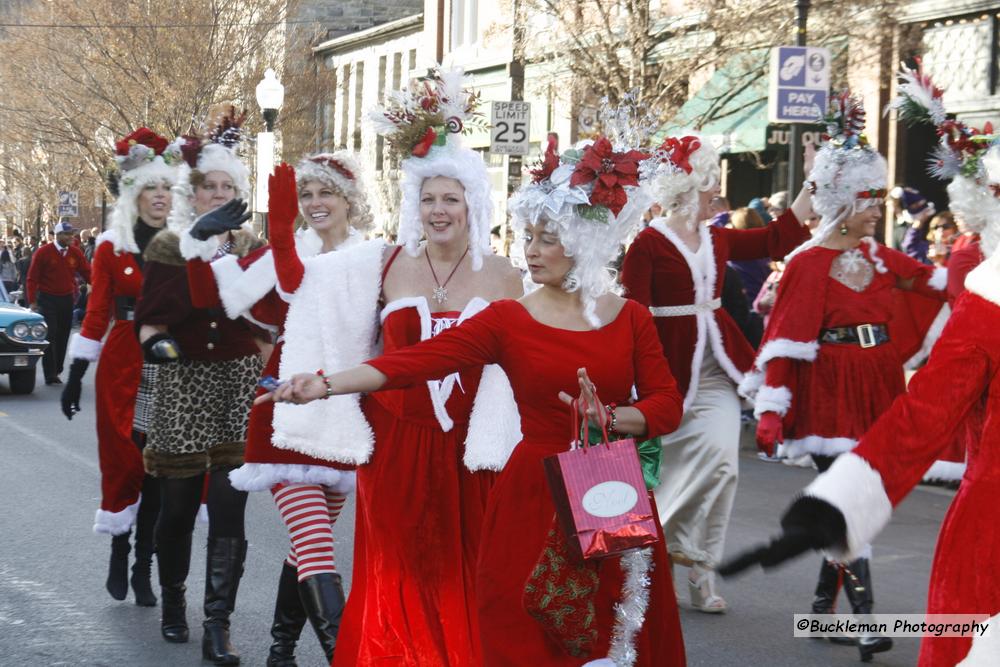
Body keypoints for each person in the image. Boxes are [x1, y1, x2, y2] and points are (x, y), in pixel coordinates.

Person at [261, 128, 688, 667]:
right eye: (527, 237)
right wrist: (323, 382)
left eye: (546, 239)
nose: (531, 251)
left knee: (610, 625)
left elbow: (666, 405)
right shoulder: (509, 319)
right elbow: (412, 364)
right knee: (518, 625)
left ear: (581, 245)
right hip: (528, 493)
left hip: (608, 483)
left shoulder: (630, 318)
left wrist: (616, 418)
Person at [741, 93, 947, 662]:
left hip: (879, 391)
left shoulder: (881, 258)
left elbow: (938, 285)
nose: (877, 210)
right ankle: (865, 621)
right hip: (830, 395)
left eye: (877, 200)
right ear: (840, 202)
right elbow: (785, 342)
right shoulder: (807, 265)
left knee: (847, 502)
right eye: (867, 200)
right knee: (851, 503)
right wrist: (771, 411)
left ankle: (816, 614)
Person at [190, 152, 375, 664]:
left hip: (343, 418)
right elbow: (280, 284)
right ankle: (344, 657)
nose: (315, 203)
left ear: (349, 201)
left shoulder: (376, 258)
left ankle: (280, 651)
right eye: (306, 195)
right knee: (317, 546)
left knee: (304, 549)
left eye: (326, 193)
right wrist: (225, 237)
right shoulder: (288, 255)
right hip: (286, 413)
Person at [620, 133, 812, 612]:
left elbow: (776, 237)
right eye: (711, 187)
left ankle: (701, 568)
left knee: (723, 462)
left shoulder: (718, 236)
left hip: (717, 371)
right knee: (665, 476)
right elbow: (632, 312)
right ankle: (653, 552)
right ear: (689, 187)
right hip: (665, 373)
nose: (717, 195)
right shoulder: (647, 242)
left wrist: (814, 179)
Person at [134, 109, 263, 665]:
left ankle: (218, 624)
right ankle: (173, 601)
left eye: (226, 186)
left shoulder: (256, 248)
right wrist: (196, 245)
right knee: (179, 506)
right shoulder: (167, 245)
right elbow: (155, 316)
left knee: (231, 509)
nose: (217, 194)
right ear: (194, 193)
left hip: (236, 385)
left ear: (238, 193)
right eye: (208, 186)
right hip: (183, 383)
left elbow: (262, 319)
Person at [59, 128, 180, 608]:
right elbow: (97, 311)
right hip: (125, 363)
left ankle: (143, 565)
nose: (159, 197)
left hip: (173, 363)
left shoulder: (186, 244)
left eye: (166, 187)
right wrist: (74, 374)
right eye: (151, 188)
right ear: (134, 193)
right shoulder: (112, 246)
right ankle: (118, 545)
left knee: (161, 469)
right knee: (125, 461)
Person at [26, 219, 91, 384]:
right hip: (47, 298)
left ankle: (57, 368)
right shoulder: (43, 252)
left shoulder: (75, 252)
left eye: (72, 234)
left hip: (67, 298)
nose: (71, 237)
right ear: (59, 235)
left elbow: (87, 272)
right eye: (68, 234)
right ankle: (50, 373)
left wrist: (100, 285)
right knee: (51, 333)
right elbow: (32, 278)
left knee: (63, 334)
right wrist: (32, 301)